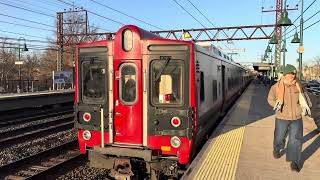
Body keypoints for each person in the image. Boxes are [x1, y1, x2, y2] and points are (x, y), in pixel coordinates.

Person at [267, 64, 311, 172]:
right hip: (282, 117)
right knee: (279, 137)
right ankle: (277, 149)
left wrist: (306, 107)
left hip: (296, 117)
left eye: (294, 73)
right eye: (291, 73)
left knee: (295, 140)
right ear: (285, 74)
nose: (293, 75)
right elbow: (270, 99)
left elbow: (305, 98)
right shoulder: (276, 87)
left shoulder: (299, 85)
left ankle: (294, 162)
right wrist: (277, 105)